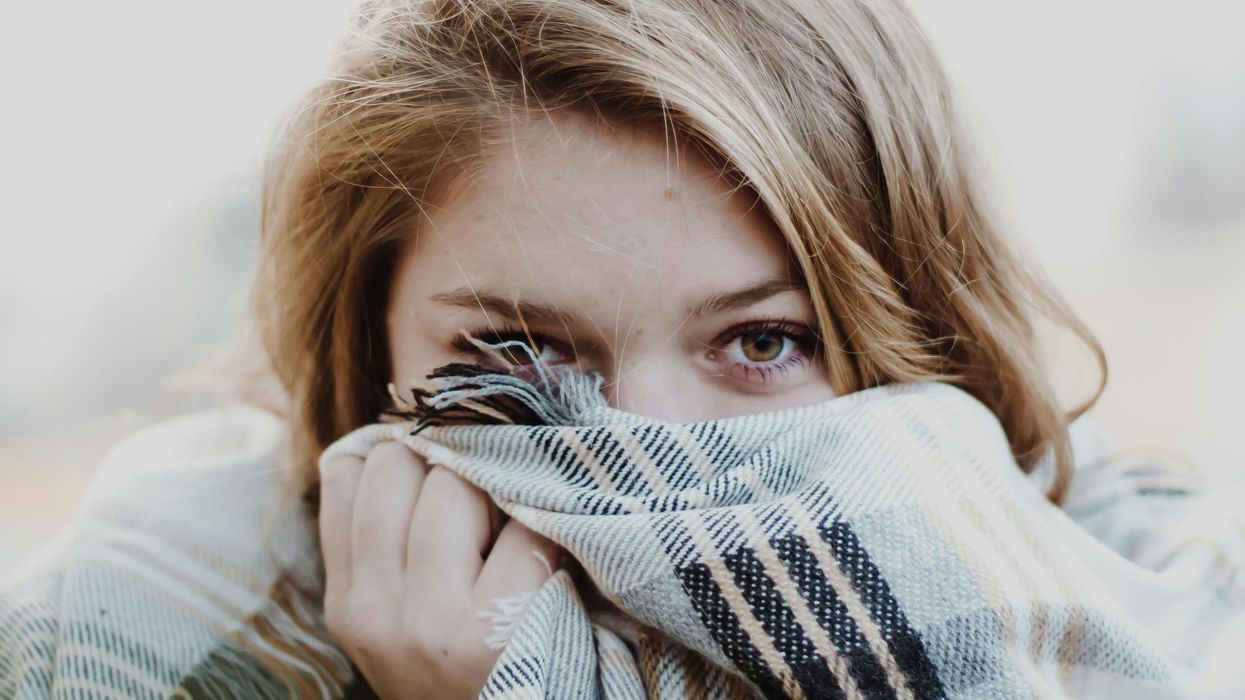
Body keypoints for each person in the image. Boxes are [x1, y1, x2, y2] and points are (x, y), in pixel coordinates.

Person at [3, 0, 1242, 698]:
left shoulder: (1172, 619)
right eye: (516, 351)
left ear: (913, 346)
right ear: (363, 352)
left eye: (763, 340)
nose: (639, 436)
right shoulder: (125, 631)